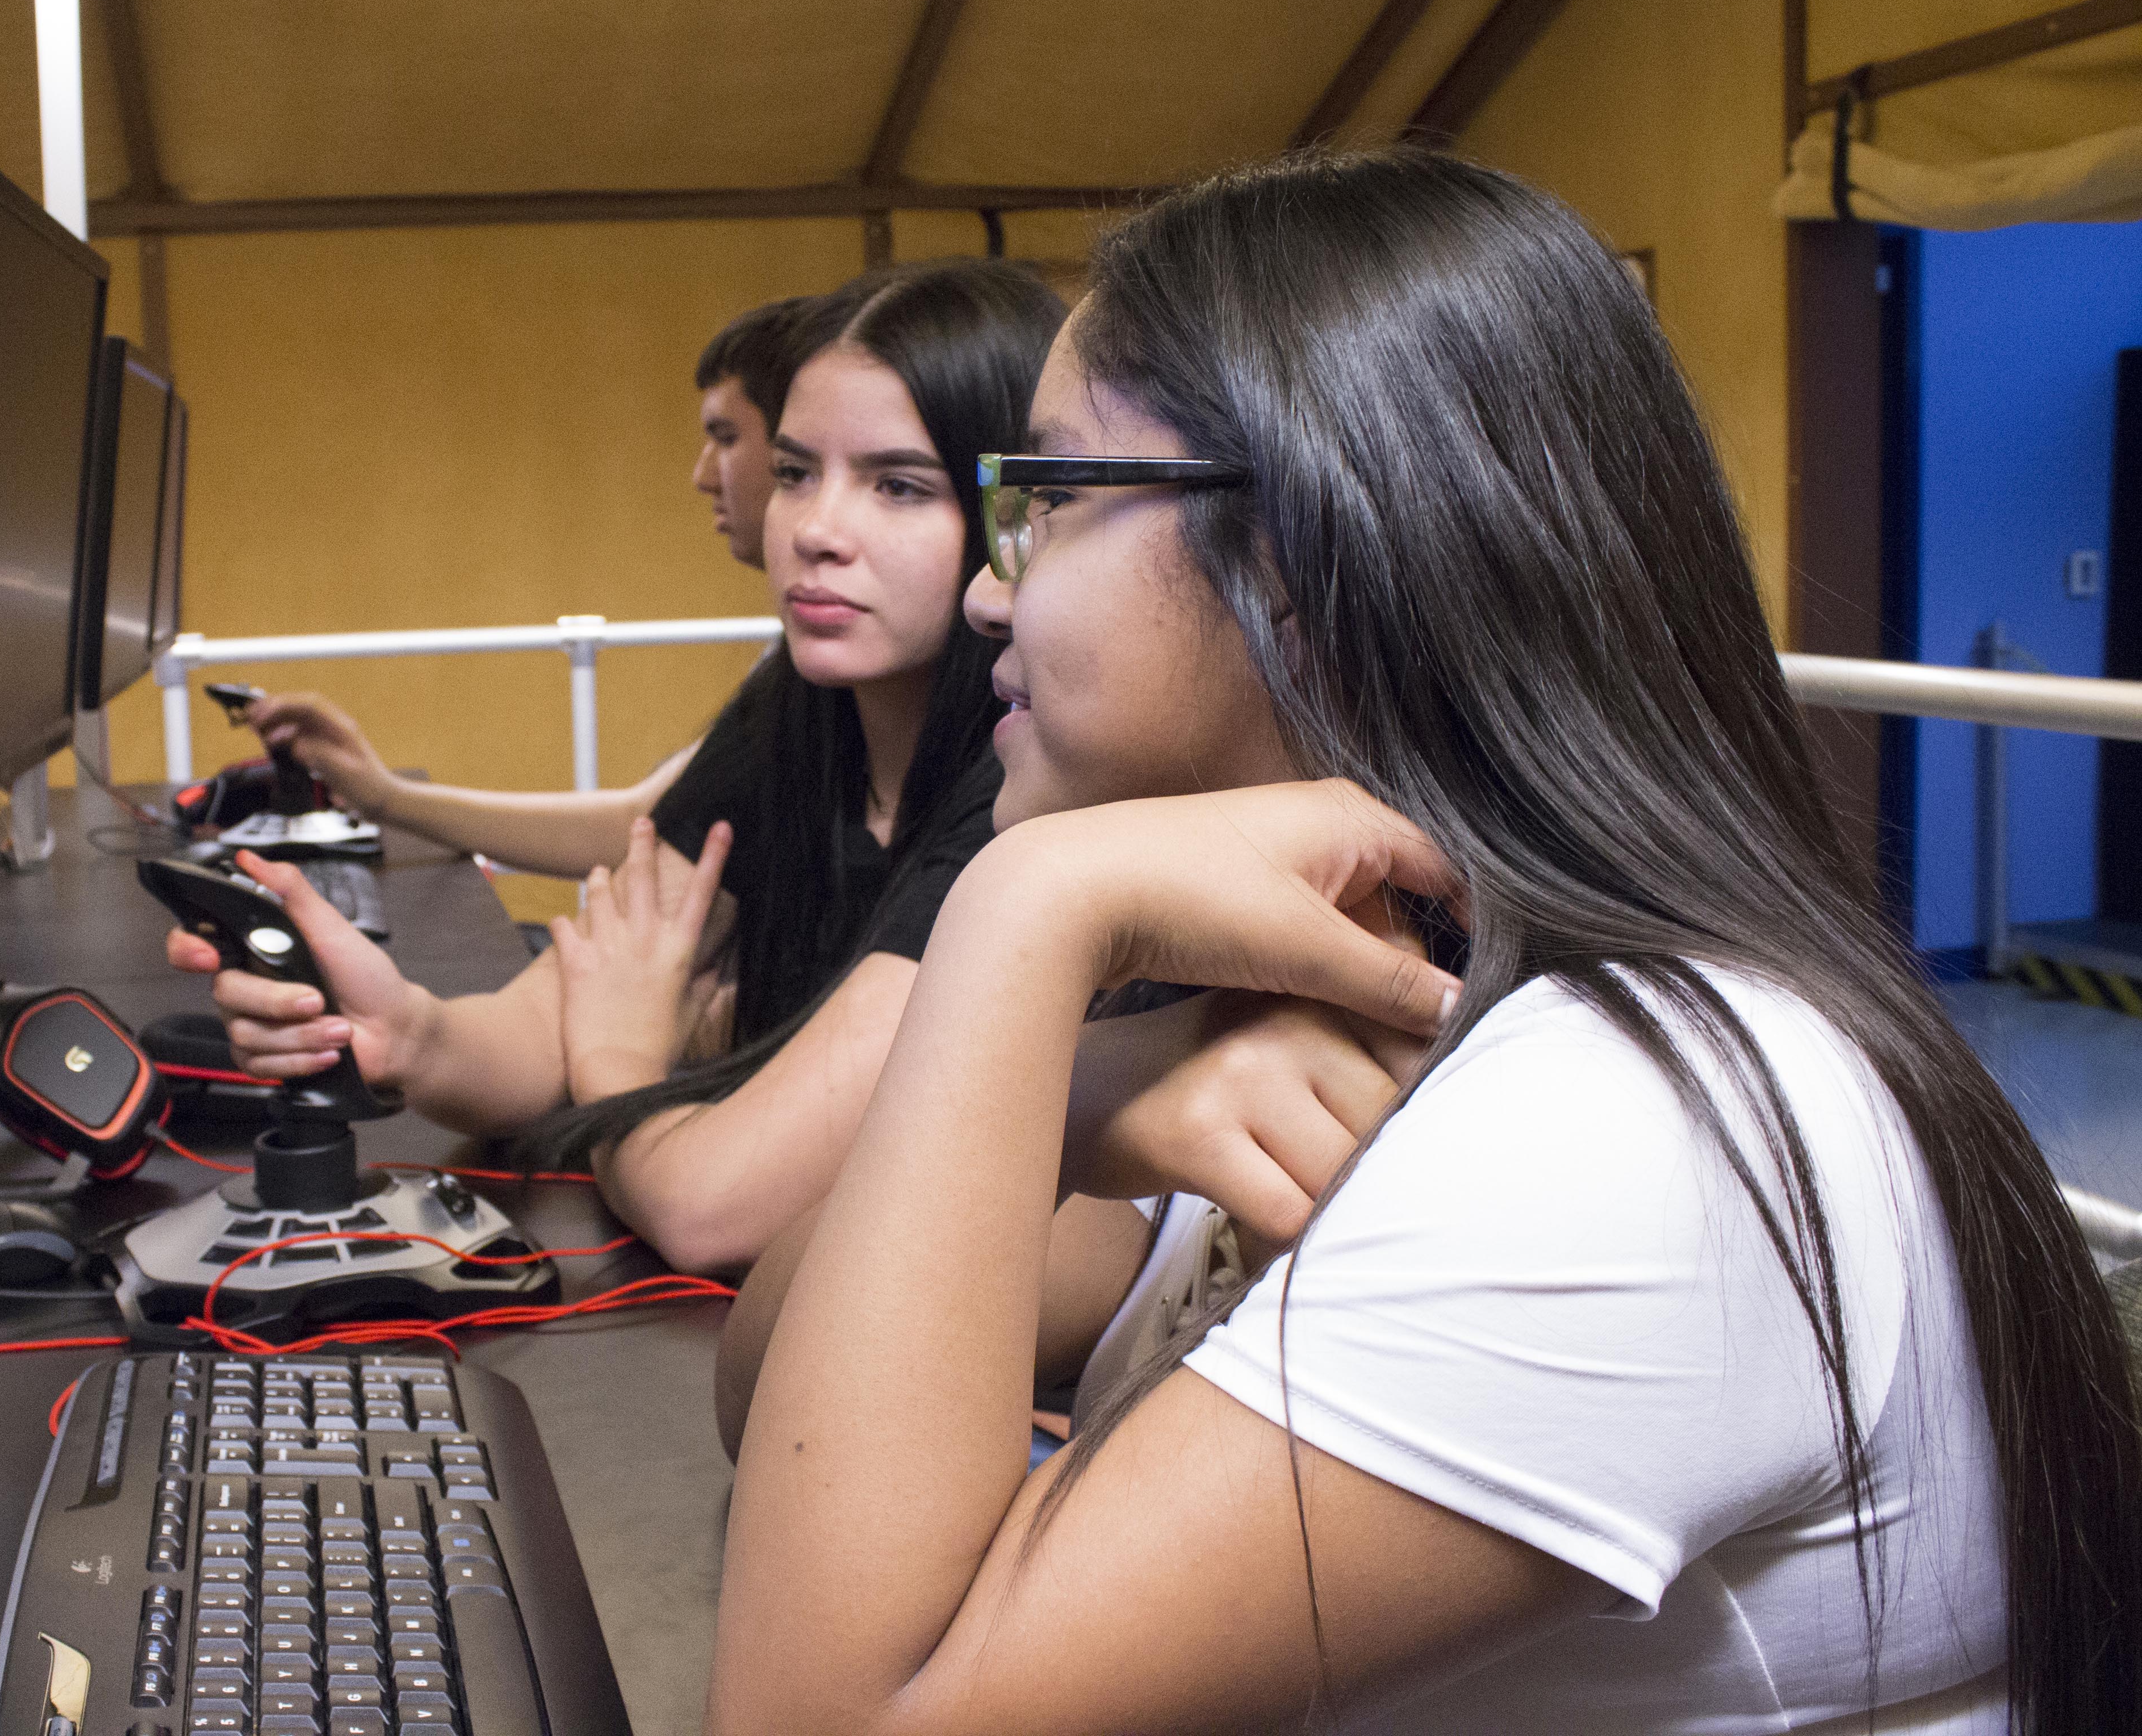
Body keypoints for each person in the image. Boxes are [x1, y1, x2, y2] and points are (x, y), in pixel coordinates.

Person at [712, 148, 2142, 1732]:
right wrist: (1068, 1098)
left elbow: (818, 1710)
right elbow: (773, 1401)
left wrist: (1014, 920)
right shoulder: (1344, 1019)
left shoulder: (1621, 1129)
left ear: (1307, 567)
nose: (993, 592)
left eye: (1046, 500)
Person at [172, 260, 1061, 1273]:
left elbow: (705, 1208)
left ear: (1019, 520)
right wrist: (406, 1032)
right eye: (794, 472)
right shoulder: (801, 707)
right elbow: (540, 1024)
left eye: (899, 486)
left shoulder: (1017, 802)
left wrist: (614, 1061)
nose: (814, 530)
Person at [224, 295, 812, 879]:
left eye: (727, 437)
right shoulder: (792, 668)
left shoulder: (835, 675)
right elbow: (640, 827)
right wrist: (384, 797)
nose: (703, 475)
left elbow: (639, 833)